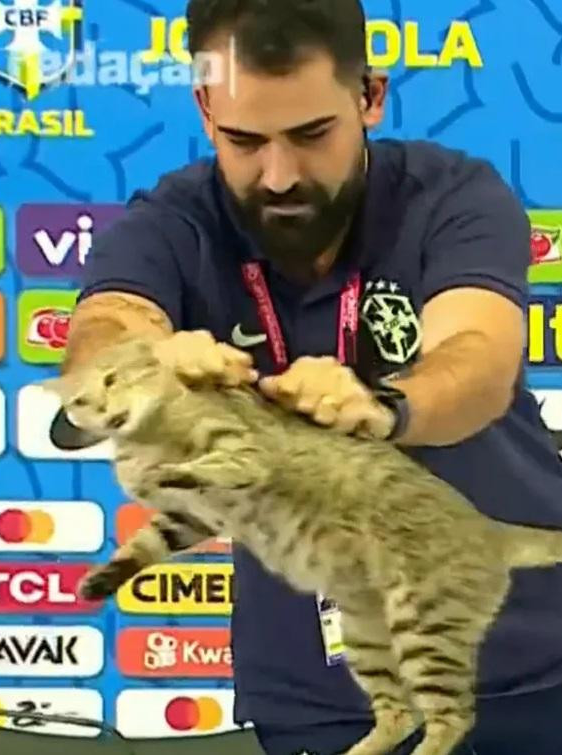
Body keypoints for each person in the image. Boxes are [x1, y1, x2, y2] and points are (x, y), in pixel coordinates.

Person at [62, 0, 562, 753]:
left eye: (310, 135)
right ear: (203, 106)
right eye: (244, 140)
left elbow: (478, 360)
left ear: (368, 94)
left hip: (529, 669)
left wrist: (386, 408)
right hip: (316, 696)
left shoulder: (451, 194)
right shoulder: (173, 221)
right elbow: (106, 324)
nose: (279, 174)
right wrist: (146, 365)